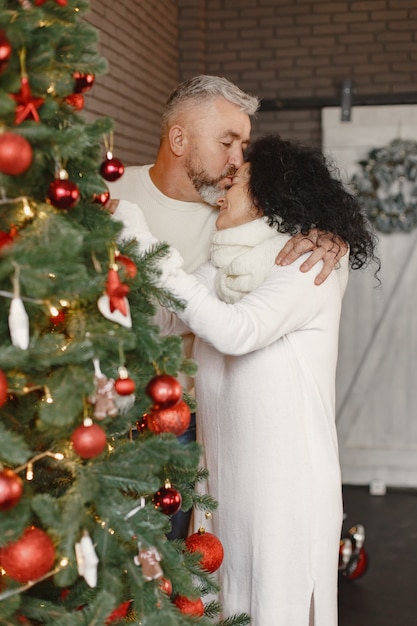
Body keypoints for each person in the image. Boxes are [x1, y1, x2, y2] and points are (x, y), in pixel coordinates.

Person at [127, 135, 379, 625]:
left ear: (269, 194)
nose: (222, 191)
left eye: (236, 180)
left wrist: (142, 241)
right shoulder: (225, 263)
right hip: (224, 480)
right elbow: (161, 320)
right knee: (224, 606)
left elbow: (237, 331)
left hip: (284, 488)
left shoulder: (309, 265)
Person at [107, 75, 348, 540]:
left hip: (188, 425)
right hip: (98, 415)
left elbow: (298, 270)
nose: (237, 159)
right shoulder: (111, 194)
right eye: (227, 141)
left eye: (244, 143)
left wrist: (331, 239)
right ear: (179, 139)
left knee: (173, 569)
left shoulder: (239, 215)